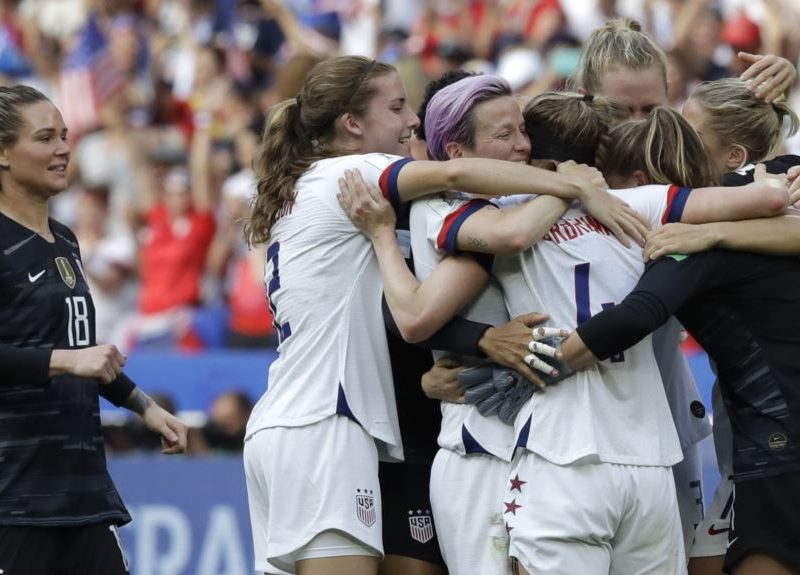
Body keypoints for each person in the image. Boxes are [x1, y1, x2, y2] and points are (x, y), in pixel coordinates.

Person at [241, 55, 635, 575]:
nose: (410, 122)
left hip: (281, 422)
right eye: (398, 105)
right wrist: (571, 184)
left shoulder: (300, 188)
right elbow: (455, 179)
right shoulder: (354, 174)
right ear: (351, 124)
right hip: (326, 423)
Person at [0, 84, 188, 574]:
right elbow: (68, 357)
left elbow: (83, 353)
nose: (63, 149)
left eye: (64, 136)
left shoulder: (64, 238)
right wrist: (66, 360)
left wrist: (144, 407)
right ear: (3, 153)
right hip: (14, 501)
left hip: (83, 495)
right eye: (45, 138)